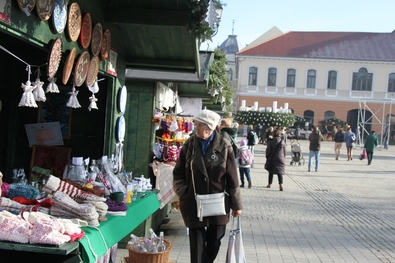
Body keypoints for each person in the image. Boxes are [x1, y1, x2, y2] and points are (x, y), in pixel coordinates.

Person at [173, 109, 243, 263]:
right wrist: (183, 192)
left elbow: (232, 178)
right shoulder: (189, 145)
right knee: (197, 246)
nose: (196, 129)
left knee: (215, 241)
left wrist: (237, 205)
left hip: (218, 202)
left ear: (210, 128)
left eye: (200, 126)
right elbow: (178, 173)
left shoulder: (224, 146)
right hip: (193, 200)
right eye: (196, 125)